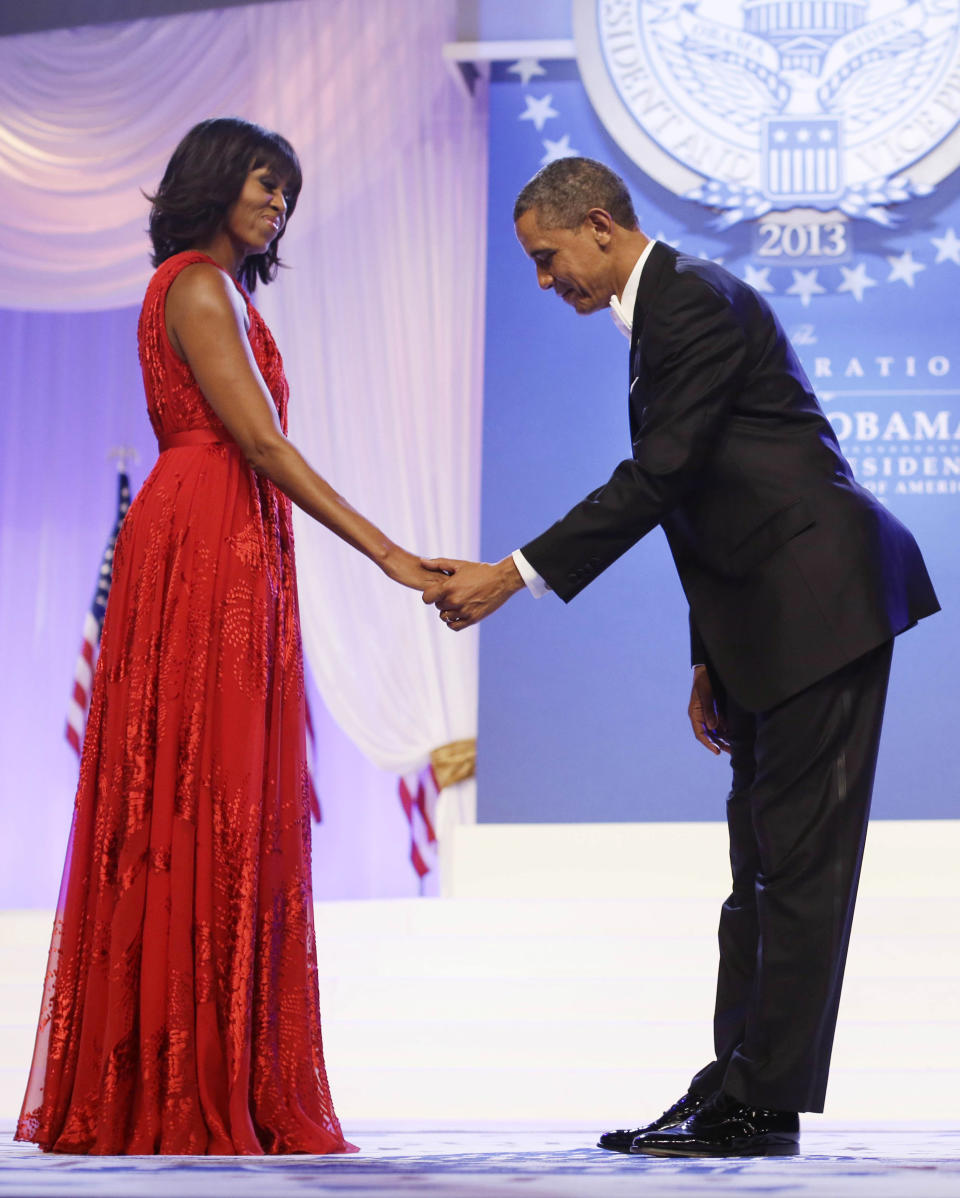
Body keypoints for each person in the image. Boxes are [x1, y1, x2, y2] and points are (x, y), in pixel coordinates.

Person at [422, 157, 939, 1157]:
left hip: (821, 607)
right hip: (772, 620)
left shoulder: (691, 302)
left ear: (602, 226)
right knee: (759, 870)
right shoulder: (664, 311)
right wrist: (709, 655)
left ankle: (762, 1098)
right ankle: (737, 1080)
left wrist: (512, 573)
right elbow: (711, 496)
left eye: (547, 257)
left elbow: (659, 477)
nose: (543, 280)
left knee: (794, 871)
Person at [16, 117, 434, 1156]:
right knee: (206, 789)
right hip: (205, 532)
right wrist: (383, 549)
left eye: (287, 192)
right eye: (264, 183)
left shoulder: (225, 291)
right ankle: (176, 1078)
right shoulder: (197, 285)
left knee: (226, 798)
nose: (277, 204)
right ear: (213, 184)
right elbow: (254, 438)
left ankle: (209, 1064)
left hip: (232, 534)